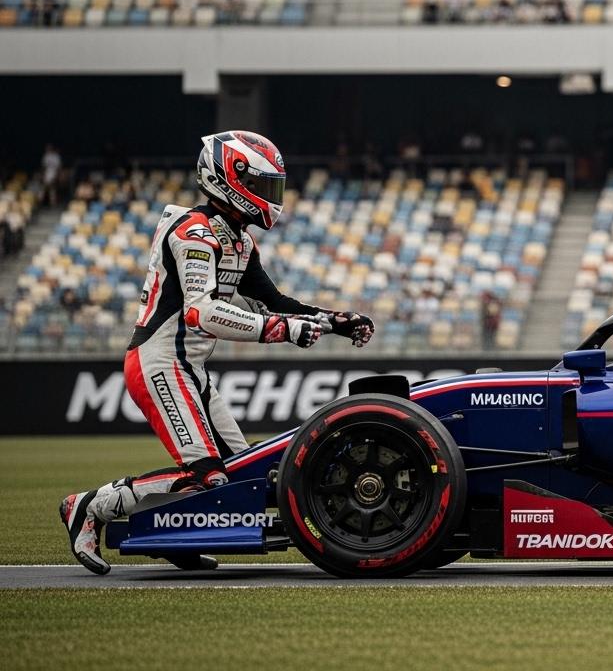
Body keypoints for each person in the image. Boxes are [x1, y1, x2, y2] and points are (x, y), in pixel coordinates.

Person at [58, 131, 376, 576]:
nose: (272, 197)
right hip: (160, 362)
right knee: (211, 477)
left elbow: (275, 302)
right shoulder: (194, 230)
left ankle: (176, 537)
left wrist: (333, 320)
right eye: (264, 186)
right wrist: (280, 331)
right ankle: (91, 506)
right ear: (230, 179)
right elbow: (201, 314)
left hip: (189, 368)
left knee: (244, 474)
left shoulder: (239, 241)